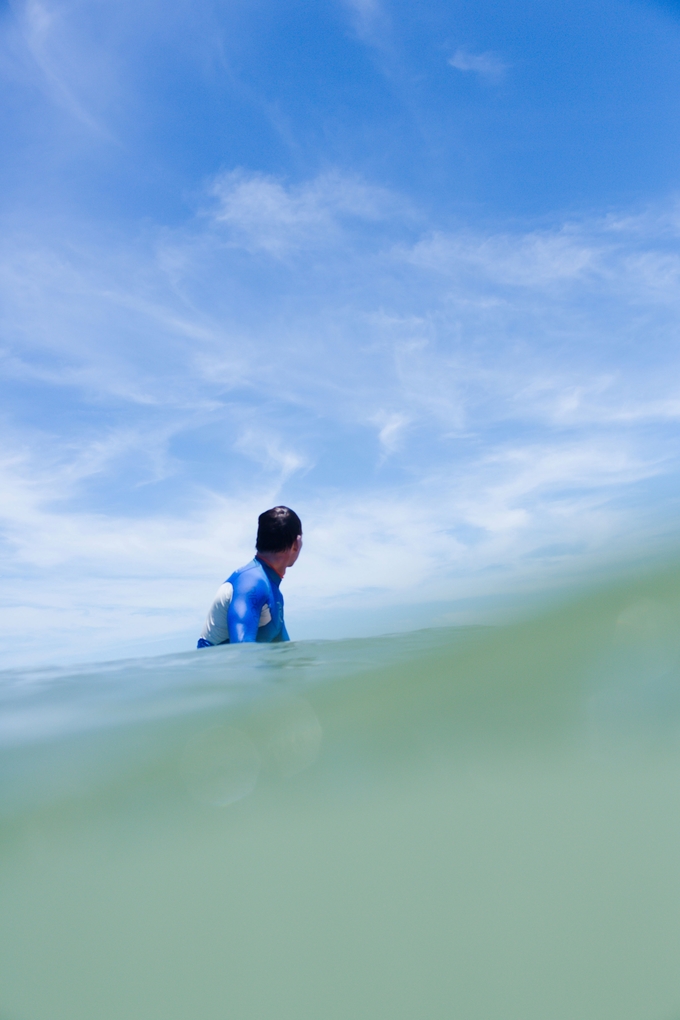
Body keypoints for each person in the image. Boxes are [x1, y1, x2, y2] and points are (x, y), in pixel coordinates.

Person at [197, 506, 302, 647]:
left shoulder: (273, 594)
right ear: (296, 543)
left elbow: (285, 655)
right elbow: (242, 650)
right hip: (215, 668)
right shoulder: (251, 583)